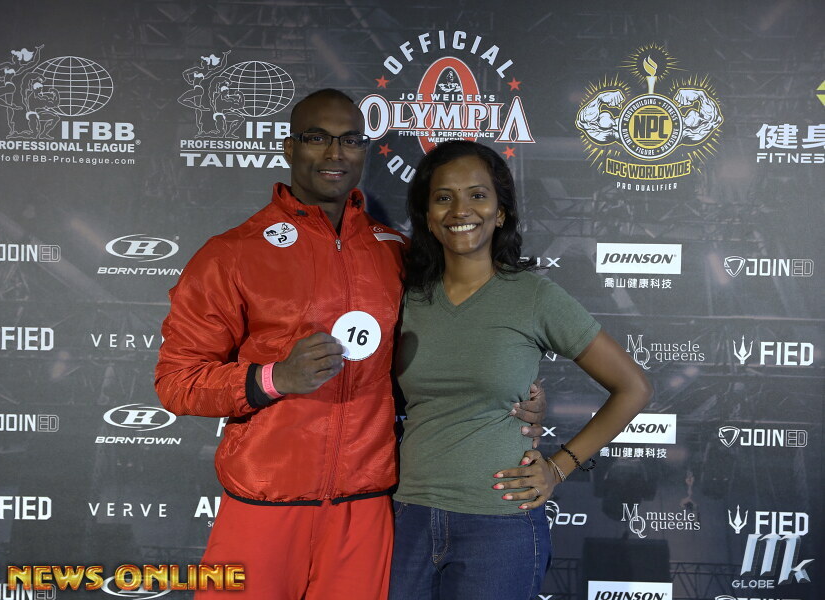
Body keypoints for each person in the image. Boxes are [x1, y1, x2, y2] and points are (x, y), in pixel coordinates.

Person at [155, 90, 548, 599]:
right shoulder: (231, 254)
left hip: (365, 511)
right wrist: (275, 377)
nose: (334, 153)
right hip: (263, 504)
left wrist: (514, 396)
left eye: (350, 140)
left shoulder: (398, 253)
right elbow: (177, 382)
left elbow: (448, 350)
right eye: (316, 138)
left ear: (364, 150)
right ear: (289, 147)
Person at [389, 140, 652, 599]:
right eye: (444, 197)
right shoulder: (403, 298)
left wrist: (559, 467)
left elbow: (634, 387)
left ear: (501, 212)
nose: (460, 210)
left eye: (477, 195)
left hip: (499, 526)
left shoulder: (533, 296)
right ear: (428, 216)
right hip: (407, 518)